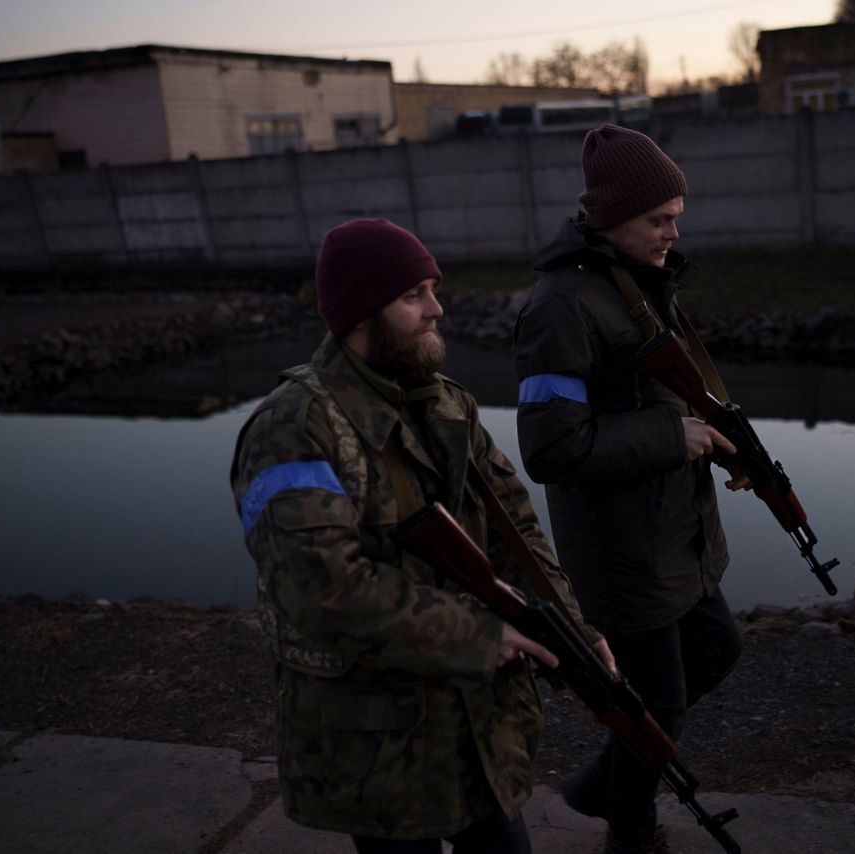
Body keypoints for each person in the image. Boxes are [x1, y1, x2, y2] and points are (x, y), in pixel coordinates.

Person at [230, 218, 612, 853]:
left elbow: (515, 533)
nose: (438, 309)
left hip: (473, 721)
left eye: (434, 289)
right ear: (360, 315)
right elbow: (324, 592)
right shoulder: (291, 429)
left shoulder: (447, 404)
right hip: (376, 738)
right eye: (413, 296)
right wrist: (479, 634)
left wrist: (573, 632)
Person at [512, 125, 746, 854]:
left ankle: (597, 787)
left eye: (676, 215)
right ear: (611, 217)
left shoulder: (639, 283)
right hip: (622, 550)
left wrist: (716, 436)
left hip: (676, 534)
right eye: (659, 218)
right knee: (660, 708)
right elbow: (549, 447)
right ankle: (631, 828)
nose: (675, 232)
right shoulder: (560, 307)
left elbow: (664, 393)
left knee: (717, 652)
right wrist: (673, 438)